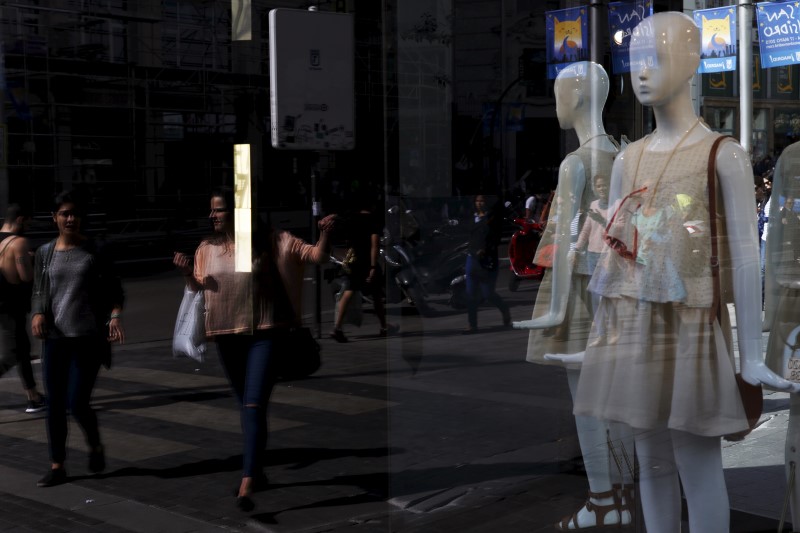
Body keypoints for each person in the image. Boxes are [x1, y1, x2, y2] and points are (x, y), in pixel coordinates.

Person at [572, 13, 799, 532]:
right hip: (633, 330)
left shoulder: (723, 154)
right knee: (650, 465)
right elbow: (615, 255)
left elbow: (745, 256)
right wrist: (598, 339)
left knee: (698, 468)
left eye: (657, 58)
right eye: (635, 62)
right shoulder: (628, 160)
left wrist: (750, 358)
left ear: (693, 61)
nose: (643, 73)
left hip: (692, 330)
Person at [513, 61, 634, 530]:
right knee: (617, 402)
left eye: (562, 93)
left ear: (579, 97)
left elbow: (564, 242)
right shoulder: (623, 153)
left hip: (583, 293)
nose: (557, 102)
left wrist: (556, 311)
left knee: (587, 404)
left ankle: (602, 502)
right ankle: (623, 494)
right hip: (618, 291)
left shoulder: (575, 163)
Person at [173, 186, 337, 512]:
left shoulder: (275, 240)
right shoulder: (206, 247)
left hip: (265, 334)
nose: (212, 215)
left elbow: (316, 257)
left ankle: (247, 482)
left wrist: (325, 235)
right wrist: (187, 274)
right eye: (212, 210)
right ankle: (257, 471)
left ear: (238, 212)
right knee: (247, 408)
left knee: (252, 405)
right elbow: (197, 287)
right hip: (225, 337)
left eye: (218, 209)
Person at [31, 189, 125, 488]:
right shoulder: (45, 253)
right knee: (55, 405)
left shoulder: (96, 250)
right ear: (54, 217)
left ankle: (95, 444)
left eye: (75, 213)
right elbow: (38, 290)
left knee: (77, 402)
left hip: (87, 339)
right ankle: (57, 465)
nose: (71, 218)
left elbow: (115, 291)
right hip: (55, 339)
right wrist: (37, 313)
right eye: (65, 213)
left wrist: (114, 316)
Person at [764, 145, 800, 527]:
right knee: (798, 408)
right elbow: (775, 239)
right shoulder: (792, 159)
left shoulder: (792, 158)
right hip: (796, 314)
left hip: (793, 314)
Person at [330, 191, 394, 342]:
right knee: (377, 294)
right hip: (366, 261)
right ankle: (384, 327)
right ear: (372, 205)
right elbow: (374, 245)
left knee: (349, 291)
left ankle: (337, 328)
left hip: (353, 259)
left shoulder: (351, 218)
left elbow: (346, 240)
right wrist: (372, 266)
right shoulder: (373, 220)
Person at [0, 203, 46, 413]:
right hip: (11, 306)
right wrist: (32, 259)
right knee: (11, 355)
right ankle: (33, 398)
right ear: (20, 219)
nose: (28, 226)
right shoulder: (18, 243)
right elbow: (25, 276)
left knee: (22, 351)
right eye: (27, 221)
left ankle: (33, 397)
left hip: (2, 305)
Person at [463, 194, 510, 334]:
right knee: (470, 295)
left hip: (488, 261)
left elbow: (495, 239)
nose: (479, 203)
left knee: (488, 294)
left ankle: (504, 309)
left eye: (482, 201)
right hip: (472, 259)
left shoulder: (492, 219)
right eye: (477, 201)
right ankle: (472, 325)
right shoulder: (471, 218)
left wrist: (486, 250)